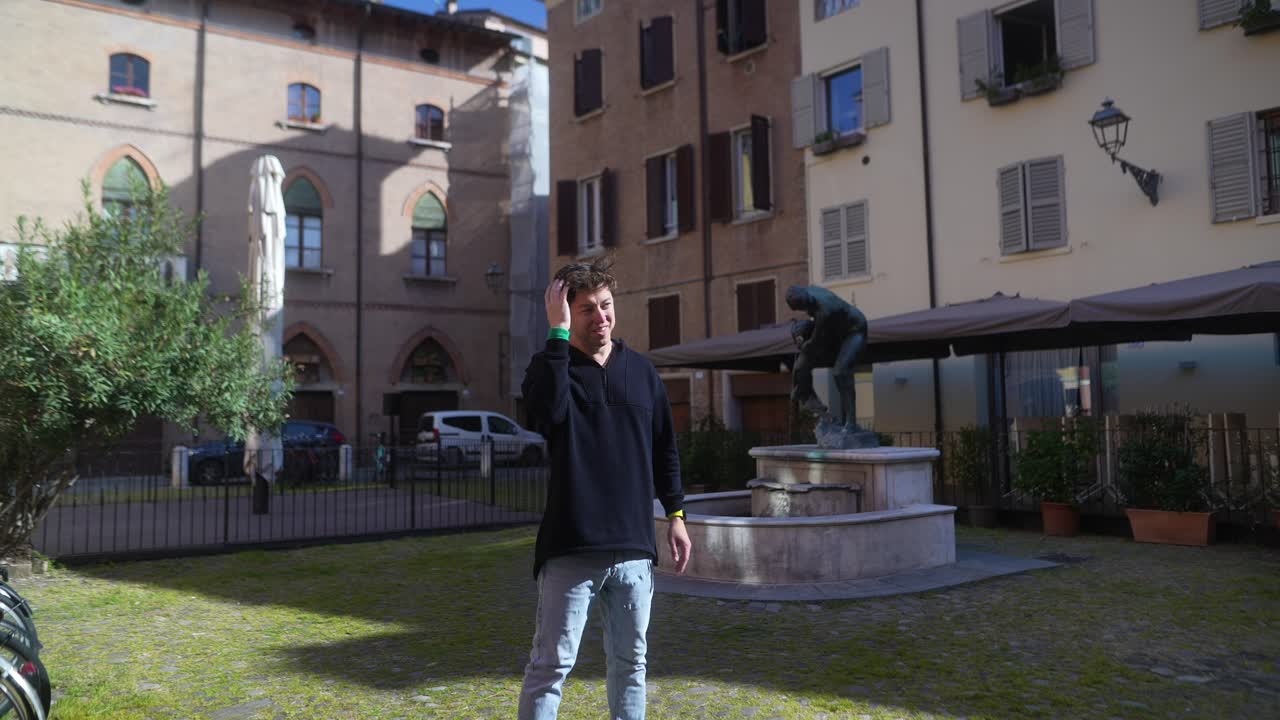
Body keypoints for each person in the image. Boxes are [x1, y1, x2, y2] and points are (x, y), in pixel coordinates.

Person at [517, 257, 692, 720]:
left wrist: (676, 516)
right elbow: (546, 416)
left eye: (606, 305)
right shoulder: (548, 368)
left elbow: (665, 450)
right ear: (567, 314)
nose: (601, 317)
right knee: (550, 668)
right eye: (588, 309)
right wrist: (556, 337)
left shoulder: (642, 372)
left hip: (634, 550)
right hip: (572, 548)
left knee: (632, 666)